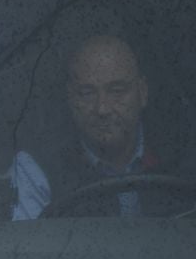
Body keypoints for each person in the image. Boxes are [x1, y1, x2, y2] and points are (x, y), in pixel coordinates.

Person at [11, 33, 182, 219]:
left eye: (116, 91)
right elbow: (23, 246)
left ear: (142, 92)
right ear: (71, 98)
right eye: (87, 93)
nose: (102, 108)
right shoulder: (36, 168)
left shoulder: (183, 154)